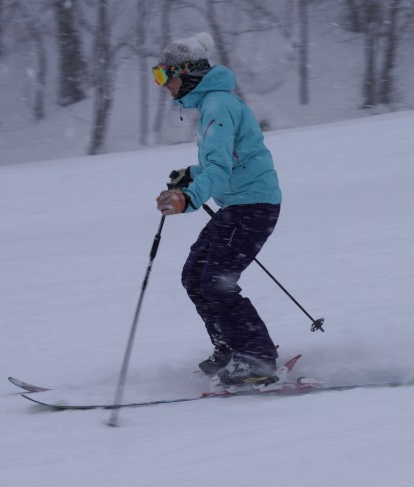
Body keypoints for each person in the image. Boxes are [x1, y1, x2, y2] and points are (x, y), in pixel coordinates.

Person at [153, 32, 283, 386]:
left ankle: (257, 358)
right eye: (158, 76)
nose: (163, 84)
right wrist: (190, 176)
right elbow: (222, 164)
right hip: (239, 205)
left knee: (216, 282)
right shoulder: (213, 104)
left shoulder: (217, 107)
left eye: (166, 75)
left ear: (189, 73)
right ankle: (229, 345)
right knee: (195, 277)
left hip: (252, 206)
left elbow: (220, 168)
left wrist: (188, 197)